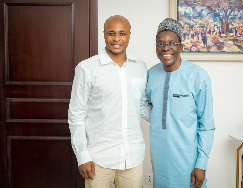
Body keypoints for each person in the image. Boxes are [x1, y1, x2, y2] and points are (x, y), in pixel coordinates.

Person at [68, 15, 149, 188]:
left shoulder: (140, 67)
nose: (117, 39)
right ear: (104, 34)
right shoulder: (87, 68)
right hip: (98, 159)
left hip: (133, 158)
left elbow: (142, 105)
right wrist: (82, 155)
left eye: (122, 33)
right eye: (112, 33)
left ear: (129, 35)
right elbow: (76, 114)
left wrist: (171, 118)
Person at [146, 18, 215, 188]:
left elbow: (206, 125)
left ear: (181, 47)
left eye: (172, 43)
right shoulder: (150, 75)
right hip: (160, 160)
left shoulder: (198, 76)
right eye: (160, 43)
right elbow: (147, 106)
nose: (165, 48)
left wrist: (202, 163)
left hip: (188, 162)